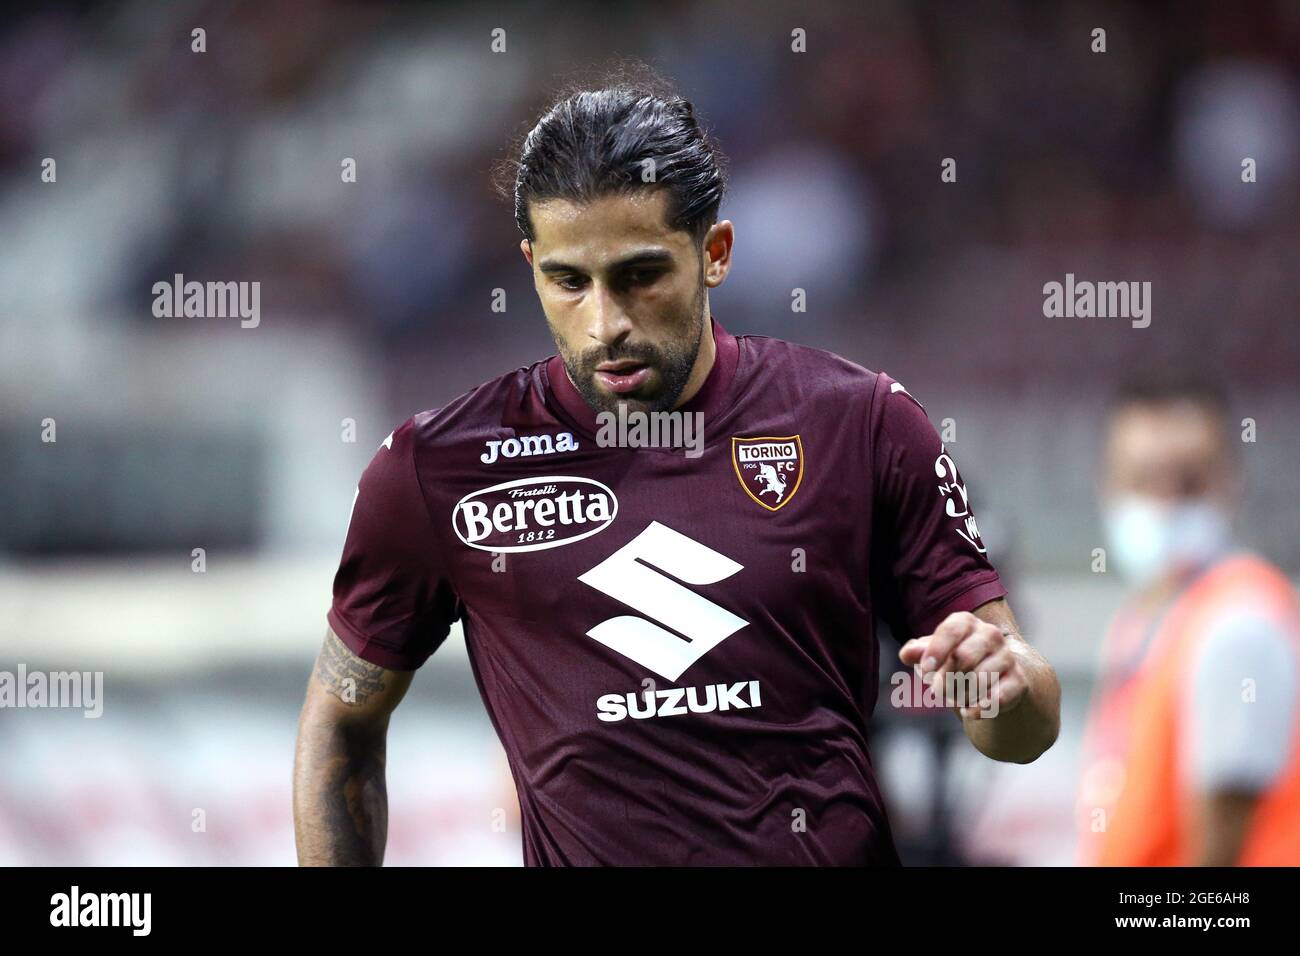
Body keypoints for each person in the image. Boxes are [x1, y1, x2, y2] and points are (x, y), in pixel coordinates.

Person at [293, 71, 1060, 866]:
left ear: (714, 253)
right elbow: (340, 723)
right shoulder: (438, 466)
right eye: (569, 282)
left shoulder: (859, 421)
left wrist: (999, 690)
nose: (606, 323)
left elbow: (1026, 728)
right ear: (531, 265)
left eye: (640, 275)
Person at [1078, 376, 1300, 865]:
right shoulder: (1152, 615)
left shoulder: (1238, 623)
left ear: (1231, 481)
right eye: (1142, 478)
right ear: (1107, 483)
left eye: (1188, 481)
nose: (1163, 501)